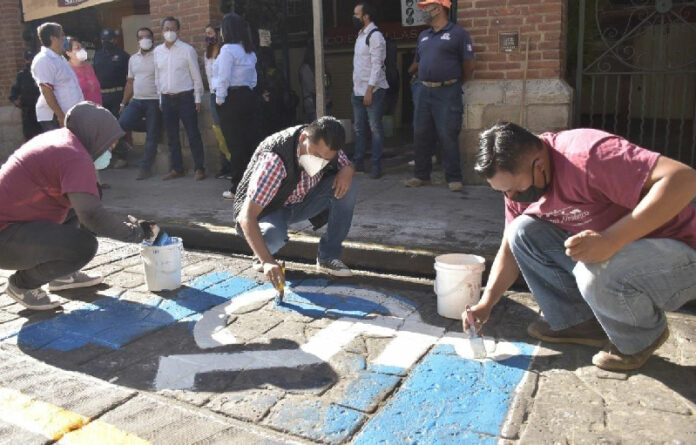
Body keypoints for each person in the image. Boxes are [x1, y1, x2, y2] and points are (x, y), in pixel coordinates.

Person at [466, 122, 696, 371]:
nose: (511, 198)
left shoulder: (588, 155)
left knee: (593, 272)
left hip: (680, 252)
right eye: (503, 192)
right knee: (522, 231)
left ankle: (641, 337)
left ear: (539, 165)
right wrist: (486, 303)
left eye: (514, 188)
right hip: (621, 252)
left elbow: (684, 179)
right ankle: (581, 322)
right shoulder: (519, 187)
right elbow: (509, 248)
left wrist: (611, 240)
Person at [0, 102, 159, 311]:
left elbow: (88, 205)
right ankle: (22, 285)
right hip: (6, 240)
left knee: (91, 192)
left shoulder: (66, 141)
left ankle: (62, 276)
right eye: (109, 142)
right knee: (82, 246)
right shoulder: (74, 156)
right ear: (96, 135)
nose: (111, 148)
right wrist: (136, 233)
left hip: (16, 225)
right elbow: (92, 216)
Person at [234, 116, 357, 285]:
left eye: (326, 159)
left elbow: (346, 163)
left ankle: (328, 257)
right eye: (315, 155)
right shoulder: (274, 160)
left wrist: (348, 170)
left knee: (348, 186)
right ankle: (262, 254)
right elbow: (246, 217)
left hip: (301, 203)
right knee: (273, 236)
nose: (319, 163)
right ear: (302, 138)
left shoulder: (326, 145)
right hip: (268, 210)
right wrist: (267, 261)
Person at [404, 0, 474, 192]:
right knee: (420, 133)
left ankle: (454, 177)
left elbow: (468, 66)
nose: (425, 11)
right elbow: (417, 63)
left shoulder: (458, 33)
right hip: (424, 90)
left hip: (448, 91)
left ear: (440, 8)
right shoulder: (423, 36)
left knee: (448, 134)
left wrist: (454, 83)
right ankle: (421, 175)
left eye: (428, 7)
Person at [213, 13, 262, 199]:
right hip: (247, 96)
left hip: (231, 99)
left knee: (236, 145)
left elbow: (223, 77)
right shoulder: (248, 50)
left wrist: (220, 99)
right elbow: (253, 79)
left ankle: (237, 187)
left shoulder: (227, 50)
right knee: (250, 142)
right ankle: (255, 184)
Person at [154, 16, 207, 181]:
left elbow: (196, 75)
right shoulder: (157, 52)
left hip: (186, 98)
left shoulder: (187, 50)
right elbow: (158, 77)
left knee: (193, 134)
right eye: (166, 29)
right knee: (172, 136)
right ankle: (177, 168)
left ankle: (199, 168)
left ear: (178, 30)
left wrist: (198, 97)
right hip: (167, 99)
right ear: (162, 31)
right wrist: (160, 99)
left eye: (172, 28)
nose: (169, 32)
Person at [118, 27, 162, 181]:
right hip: (137, 100)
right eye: (142, 37)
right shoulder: (133, 59)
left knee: (151, 137)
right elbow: (130, 82)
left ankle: (145, 168)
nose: (145, 39)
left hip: (154, 101)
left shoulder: (159, 55)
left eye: (148, 36)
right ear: (137, 40)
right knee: (122, 124)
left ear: (153, 39)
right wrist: (123, 103)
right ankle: (155, 127)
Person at [351, 1, 389, 179]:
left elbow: (377, 65)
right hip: (357, 91)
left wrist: (369, 90)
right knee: (359, 129)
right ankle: (358, 163)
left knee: (375, 128)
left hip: (372, 91)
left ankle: (376, 166)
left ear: (366, 16)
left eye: (356, 14)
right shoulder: (360, 35)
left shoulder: (375, 36)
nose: (354, 18)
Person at [31, 22, 83, 131]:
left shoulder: (60, 58)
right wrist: (60, 116)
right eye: (62, 35)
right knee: (63, 147)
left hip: (70, 115)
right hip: (55, 118)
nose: (64, 38)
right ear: (53, 38)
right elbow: (46, 91)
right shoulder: (44, 60)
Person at [93, 29, 130, 168]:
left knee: (118, 125)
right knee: (104, 128)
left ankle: (122, 156)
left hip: (118, 94)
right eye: (104, 39)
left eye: (109, 39)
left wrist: (125, 98)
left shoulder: (123, 56)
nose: (106, 42)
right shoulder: (98, 55)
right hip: (102, 95)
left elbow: (130, 78)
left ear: (115, 39)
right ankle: (107, 157)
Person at [203, 24, 232, 180]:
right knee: (218, 130)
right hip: (213, 96)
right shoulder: (206, 55)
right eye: (206, 34)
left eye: (211, 33)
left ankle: (234, 165)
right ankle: (225, 166)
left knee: (228, 129)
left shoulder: (225, 52)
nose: (208, 36)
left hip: (226, 95)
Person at [9, 50, 41, 141]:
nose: (29, 61)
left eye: (31, 59)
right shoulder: (22, 75)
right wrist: (15, 100)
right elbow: (14, 91)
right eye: (28, 59)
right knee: (30, 139)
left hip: (42, 112)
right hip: (28, 113)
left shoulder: (42, 73)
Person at [298, 42, 332, 124]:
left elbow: (327, 83)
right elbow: (311, 87)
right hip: (312, 103)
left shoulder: (319, 68)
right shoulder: (306, 68)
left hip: (319, 102)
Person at [64, 37, 102, 105]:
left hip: (97, 110)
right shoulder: (66, 70)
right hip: (80, 111)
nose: (81, 50)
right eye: (77, 48)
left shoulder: (89, 67)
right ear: (68, 53)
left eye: (82, 47)